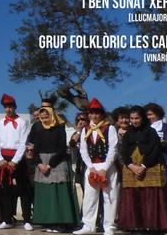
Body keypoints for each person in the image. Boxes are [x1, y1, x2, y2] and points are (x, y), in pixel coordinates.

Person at [116, 105, 167, 232]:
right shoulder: (128, 134)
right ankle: (137, 226)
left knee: (150, 200)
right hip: (132, 171)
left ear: (142, 118)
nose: (134, 121)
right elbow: (123, 151)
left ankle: (153, 226)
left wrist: (143, 166)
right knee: (134, 200)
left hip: (149, 169)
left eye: (137, 118)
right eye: (132, 118)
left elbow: (155, 149)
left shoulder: (151, 131)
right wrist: (131, 165)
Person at [27, 106, 80, 232]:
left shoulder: (59, 129)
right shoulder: (38, 129)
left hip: (57, 163)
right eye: (42, 118)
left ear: (52, 116)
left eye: (47, 117)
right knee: (45, 194)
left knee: (59, 193)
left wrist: (50, 164)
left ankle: (62, 223)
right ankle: (48, 222)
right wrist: (39, 164)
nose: (44, 120)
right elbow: (34, 149)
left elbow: (62, 149)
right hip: (41, 163)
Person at [74, 99, 119, 235]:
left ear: (102, 114)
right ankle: (88, 225)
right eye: (92, 113)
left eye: (97, 113)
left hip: (107, 167)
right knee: (89, 197)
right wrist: (91, 167)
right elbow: (83, 150)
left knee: (110, 196)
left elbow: (113, 149)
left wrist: (104, 168)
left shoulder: (109, 128)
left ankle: (109, 226)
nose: (94, 116)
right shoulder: (85, 130)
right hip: (92, 166)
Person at [0, 93, 32, 231]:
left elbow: (23, 143)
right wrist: (0, 159)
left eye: (10, 106)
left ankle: (27, 219)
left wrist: (15, 161)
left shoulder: (22, 122)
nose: (8, 109)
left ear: (15, 107)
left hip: (18, 159)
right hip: (4, 159)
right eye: (6, 107)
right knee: (6, 191)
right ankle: (6, 219)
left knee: (23, 189)